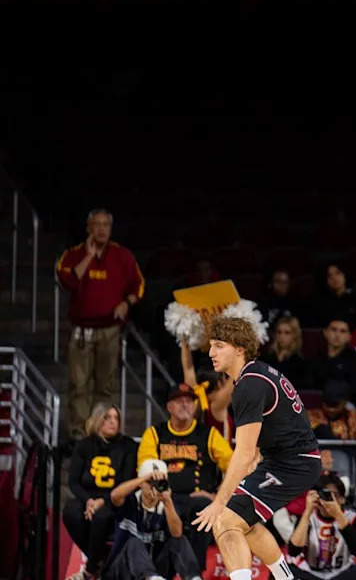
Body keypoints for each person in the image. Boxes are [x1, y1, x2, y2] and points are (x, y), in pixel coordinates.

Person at [191, 314, 325, 580]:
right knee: (243, 519)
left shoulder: (250, 385)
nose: (211, 352)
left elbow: (243, 453)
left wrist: (218, 502)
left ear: (239, 348)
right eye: (211, 345)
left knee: (225, 520)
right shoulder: (257, 374)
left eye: (219, 345)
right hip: (287, 460)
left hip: (293, 464)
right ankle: (286, 577)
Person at [56, 208, 146, 440]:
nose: (102, 229)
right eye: (97, 224)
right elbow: (67, 281)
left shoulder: (122, 255)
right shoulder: (73, 255)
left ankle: (102, 433)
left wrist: (127, 302)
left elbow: (139, 286)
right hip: (81, 331)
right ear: (88, 228)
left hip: (109, 330)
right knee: (79, 385)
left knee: (105, 386)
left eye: (106, 225)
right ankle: (79, 436)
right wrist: (88, 254)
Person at [137, 383, 234, 572]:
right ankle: (159, 572)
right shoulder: (155, 434)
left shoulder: (208, 434)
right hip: (163, 499)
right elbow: (145, 467)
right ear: (169, 407)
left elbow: (233, 467)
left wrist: (217, 497)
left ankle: (194, 573)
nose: (185, 405)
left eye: (189, 401)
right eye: (179, 401)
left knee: (203, 509)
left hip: (195, 500)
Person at [64, 404, 138, 580]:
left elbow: (126, 482)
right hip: (89, 498)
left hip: (117, 498)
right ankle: (103, 557)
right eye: (107, 418)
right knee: (71, 511)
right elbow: (73, 482)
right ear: (97, 420)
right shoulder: (84, 446)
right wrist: (89, 501)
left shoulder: (128, 446)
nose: (113, 422)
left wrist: (102, 501)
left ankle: (90, 571)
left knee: (102, 515)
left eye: (116, 418)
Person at [104, 459, 202, 580]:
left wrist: (167, 501)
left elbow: (177, 534)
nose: (153, 487)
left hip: (158, 571)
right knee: (134, 542)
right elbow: (114, 496)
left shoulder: (169, 505)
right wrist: (143, 478)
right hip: (122, 572)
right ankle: (151, 577)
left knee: (178, 540)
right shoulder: (130, 500)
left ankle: (193, 577)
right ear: (140, 483)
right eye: (150, 482)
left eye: (158, 482)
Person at [287, 474, 356, 580]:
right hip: (311, 573)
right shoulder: (308, 517)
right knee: (284, 571)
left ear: (343, 499)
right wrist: (307, 511)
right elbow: (293, 551)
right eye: (325, 494)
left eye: (334, 495)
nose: (329, 499)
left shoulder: (352, 518)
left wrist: (339, 516)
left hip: (342, 573)